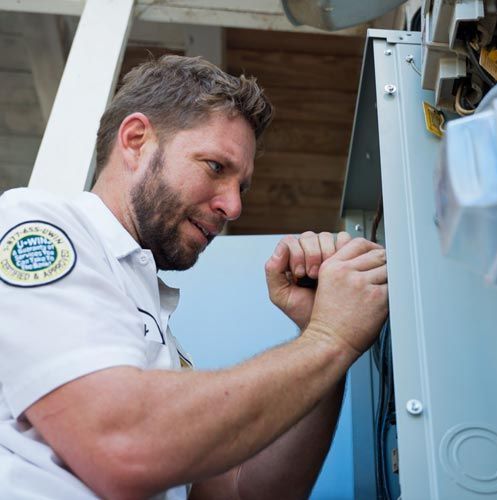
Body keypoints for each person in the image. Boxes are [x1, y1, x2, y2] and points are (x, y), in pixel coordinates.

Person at [0, 55, 388, 500]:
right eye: (216, 167)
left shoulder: (157, 329)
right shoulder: (38, 228)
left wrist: (318, 332)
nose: (233, 207)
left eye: (241, 187)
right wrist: (328, 339)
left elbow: (242, 495)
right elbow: (122, 446)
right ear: (136, 140)